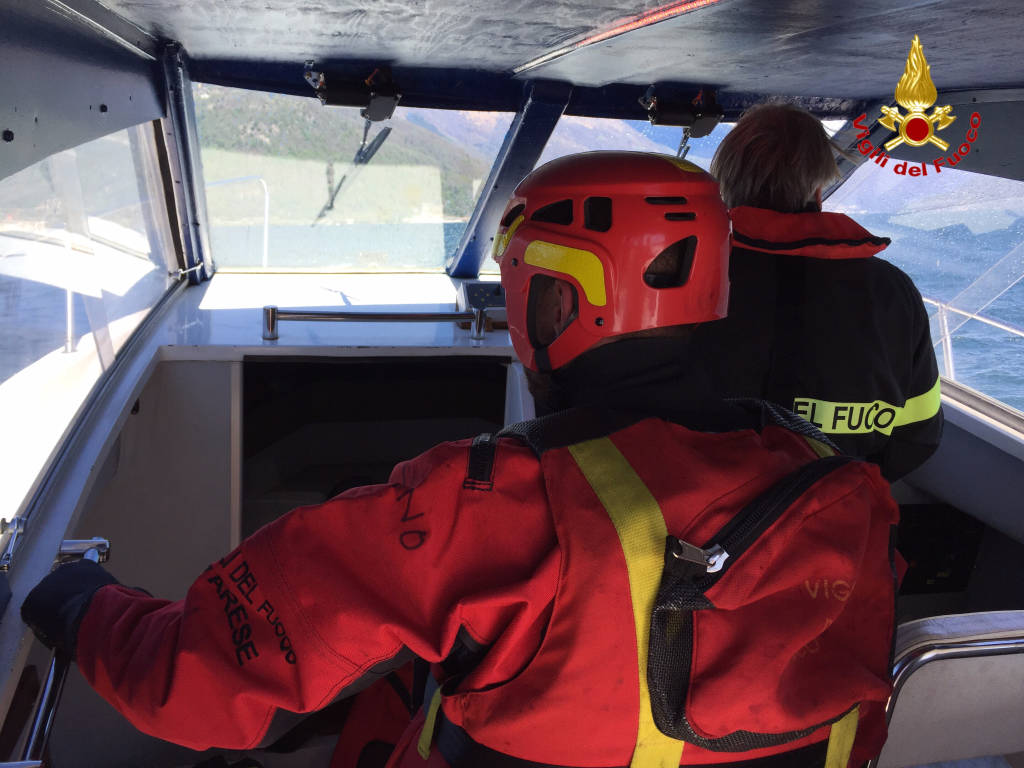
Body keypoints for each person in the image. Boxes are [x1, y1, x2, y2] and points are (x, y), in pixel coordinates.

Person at [22, 152, 899, 768]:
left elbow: (198, 686)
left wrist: (79, 602)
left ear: (551, 298)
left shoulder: (492, 504)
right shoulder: (843, 493)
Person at [693, 102, 943, 481]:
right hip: (836, 517)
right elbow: (918, 434)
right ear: (818, 188)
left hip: (696, 510)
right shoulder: (894, 292)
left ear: (724, 186)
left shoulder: (688, 274)